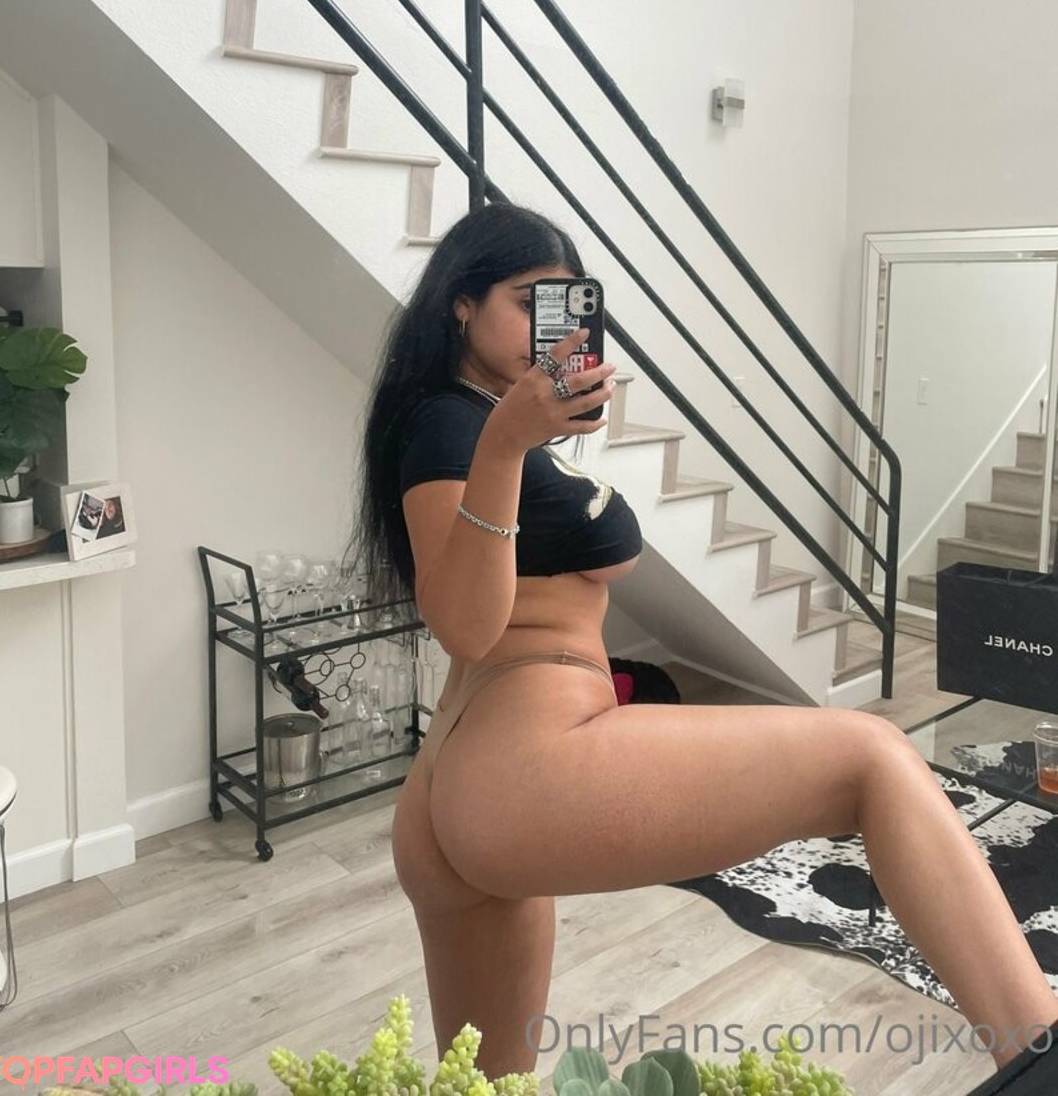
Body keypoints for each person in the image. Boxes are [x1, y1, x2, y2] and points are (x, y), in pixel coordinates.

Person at [344, 203, 1058, 1081]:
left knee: (489, 1083)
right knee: (871, 757)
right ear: (462, 303)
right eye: (528, 301)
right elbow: (464, 622)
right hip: (518, 758)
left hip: (472, 773)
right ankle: (1043, 1056)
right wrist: (504, 447)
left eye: (563, 303)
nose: (548, 326)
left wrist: (521, 441)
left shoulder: (472, 417)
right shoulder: (458, 426)